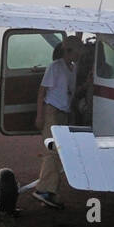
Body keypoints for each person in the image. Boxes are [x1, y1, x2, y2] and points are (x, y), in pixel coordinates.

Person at [33, 35, 81, 208]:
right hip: (52, 112)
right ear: (69, 51)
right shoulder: (55, 67)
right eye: (77, 50)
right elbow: (42, 92)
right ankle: (43, 190)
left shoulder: (72, 68)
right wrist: (40, 116)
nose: (80, 54)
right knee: (53, 150)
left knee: (59, 152)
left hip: (64, 113)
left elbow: (70, 91)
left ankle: (50, 192)